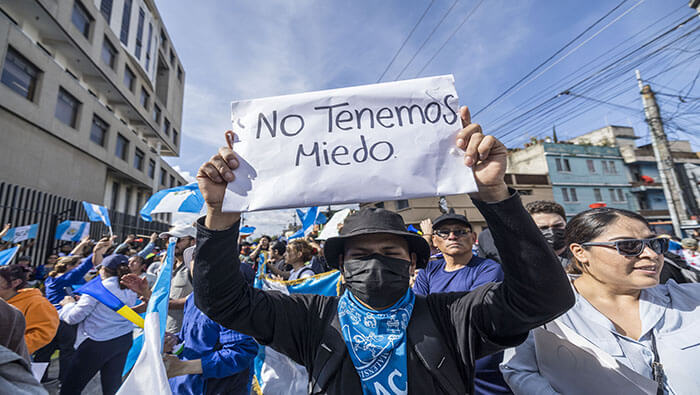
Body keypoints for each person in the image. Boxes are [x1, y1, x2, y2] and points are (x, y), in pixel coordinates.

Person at [192, 107, 574, 393]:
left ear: (412, 262)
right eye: (361, 255)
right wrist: (219, 215)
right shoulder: (309, 318)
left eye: (390, 253)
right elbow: (223, 301)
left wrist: (494, 196)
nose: (375, 263)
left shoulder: (454, 315)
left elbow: (543, 298)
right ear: (340, 264)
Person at [500, 207, 700, 394]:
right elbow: (519, 371)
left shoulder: (692, 299)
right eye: (628, 246)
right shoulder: (541, 310)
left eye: (655, 244)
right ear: (580, 252)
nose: (651, 254)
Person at [413, 212, 510, 395]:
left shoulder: (489, 268)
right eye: (444, 232)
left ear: (473, 238)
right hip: (438, 358)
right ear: (434, 241)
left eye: (460, 231)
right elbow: (417, 309)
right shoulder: (428, 270)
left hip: (480, 362)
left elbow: (473, 311)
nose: (452, 236)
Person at [161, 252, 257, 395]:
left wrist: (185, 367)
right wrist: (174, 341)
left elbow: (241, 352)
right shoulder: (193, 298)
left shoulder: (232, 302)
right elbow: (191, 338)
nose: (196, 263)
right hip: (183, 387)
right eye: (194, 258)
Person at [58, 254, 139, 395]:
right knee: (112, 387)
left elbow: (72, 318)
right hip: (123, 339)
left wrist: (68, 305)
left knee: (71, 387)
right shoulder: (131, 286)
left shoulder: (98, 289)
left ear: (104, 269)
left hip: (96, 342)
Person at [33, 237, 111, 384]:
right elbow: (87, 265)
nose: (77, 267)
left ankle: (37, 379)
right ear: (70, 267)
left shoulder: (54, 277)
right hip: (63, 320)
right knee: (67, 351)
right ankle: (65, 380)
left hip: (50, 319)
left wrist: (81, 245)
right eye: (76, 265)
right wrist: (96, 251)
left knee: (44, 351)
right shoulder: (64, 279)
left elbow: (70, 259)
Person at [0, 265, 59, 355]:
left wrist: (12, 350)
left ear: (15, 283)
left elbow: (42, 334)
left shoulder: (37, 303)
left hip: (12, 357)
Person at [161, 225, 197, 334]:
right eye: (168, 240)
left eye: (177, 239)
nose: (172, 243)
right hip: (164, 329)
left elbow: (198, 298)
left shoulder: (196, 267)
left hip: (184, 334)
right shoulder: (167, 266)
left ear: (193, 242)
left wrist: (164, 303)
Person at [524, 200, 569, 268]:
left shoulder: (583, 256)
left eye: (557, 225)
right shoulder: (523, 262)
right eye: (543, 228)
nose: (551, 232)